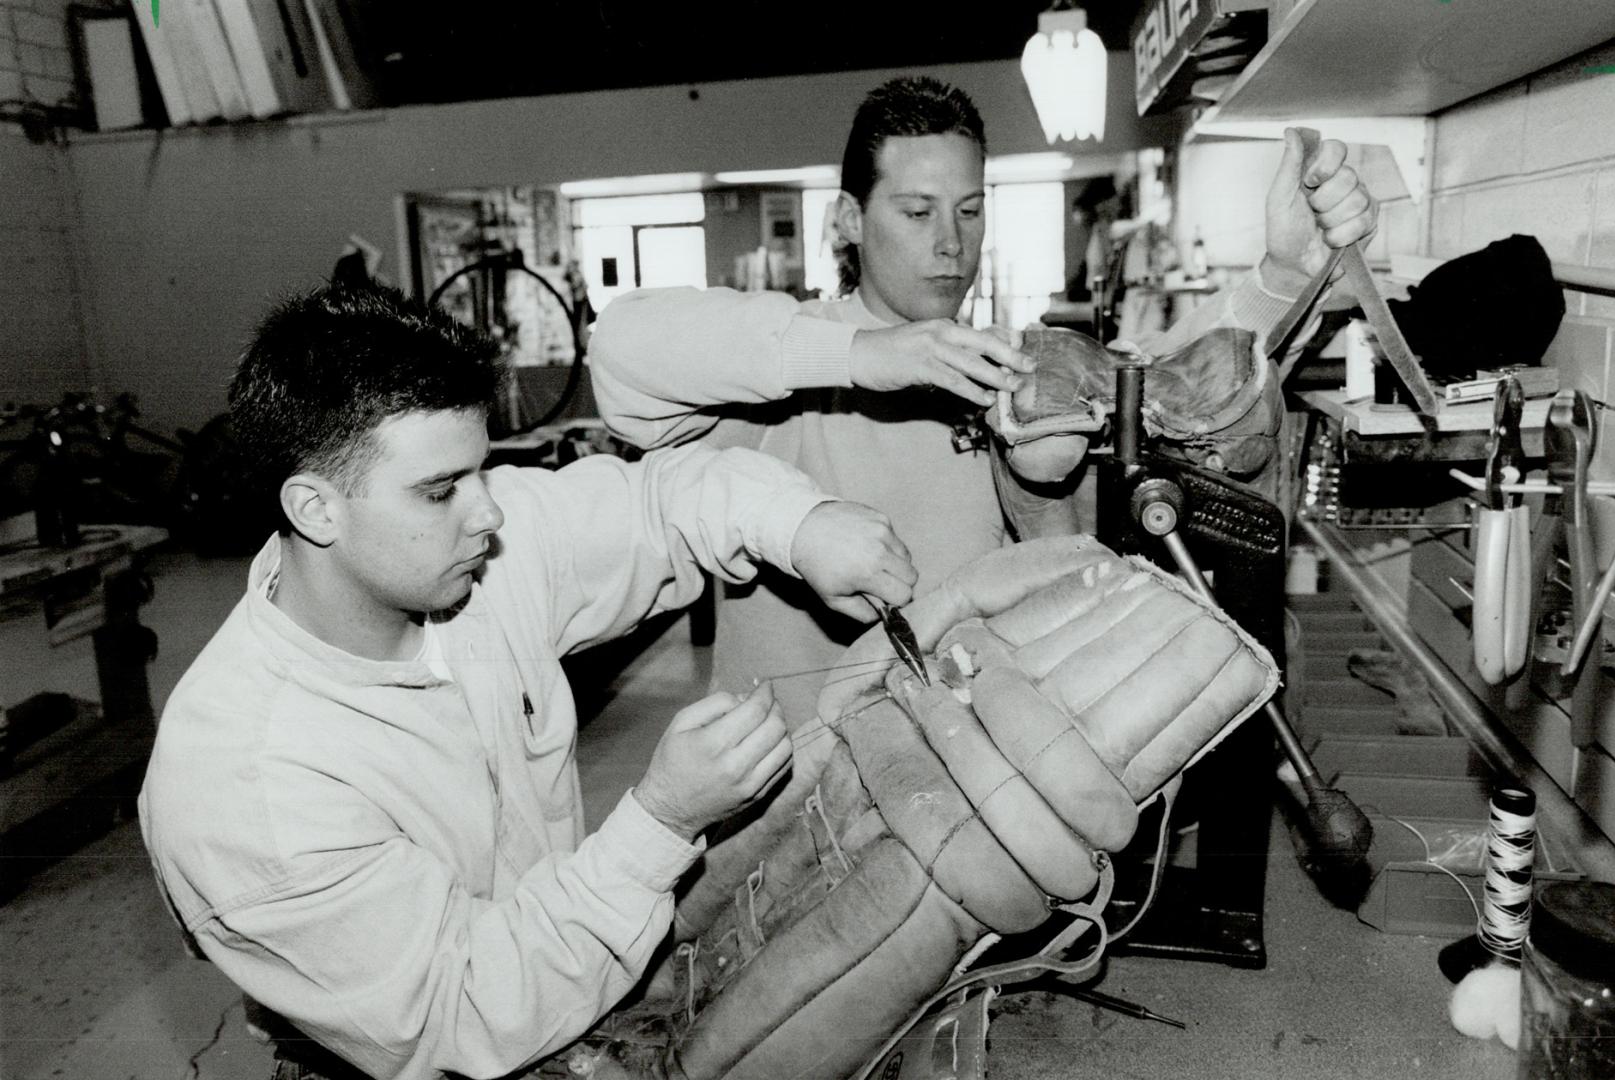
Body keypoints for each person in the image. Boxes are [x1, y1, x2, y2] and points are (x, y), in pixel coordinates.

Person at [137, 281, 918, 1080]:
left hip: (566, 974)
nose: (488, 515)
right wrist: (662, 819)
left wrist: (800, 525)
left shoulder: (459, 556)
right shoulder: (244, 784)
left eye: (482, 470)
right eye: (441, 490)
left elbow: (662, 499)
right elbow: (466, 1013)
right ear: (316, 509)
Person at [591, 74, 1377, 726]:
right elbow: (622, 348)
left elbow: (1173, 385)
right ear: (848, 220)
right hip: (785, 790)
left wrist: (1280, 275)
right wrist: (864, 354)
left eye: (969, 211)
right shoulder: (778, 365)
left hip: (970, 787)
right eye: (916, 211)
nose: (949, 243)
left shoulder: (1013, 369)